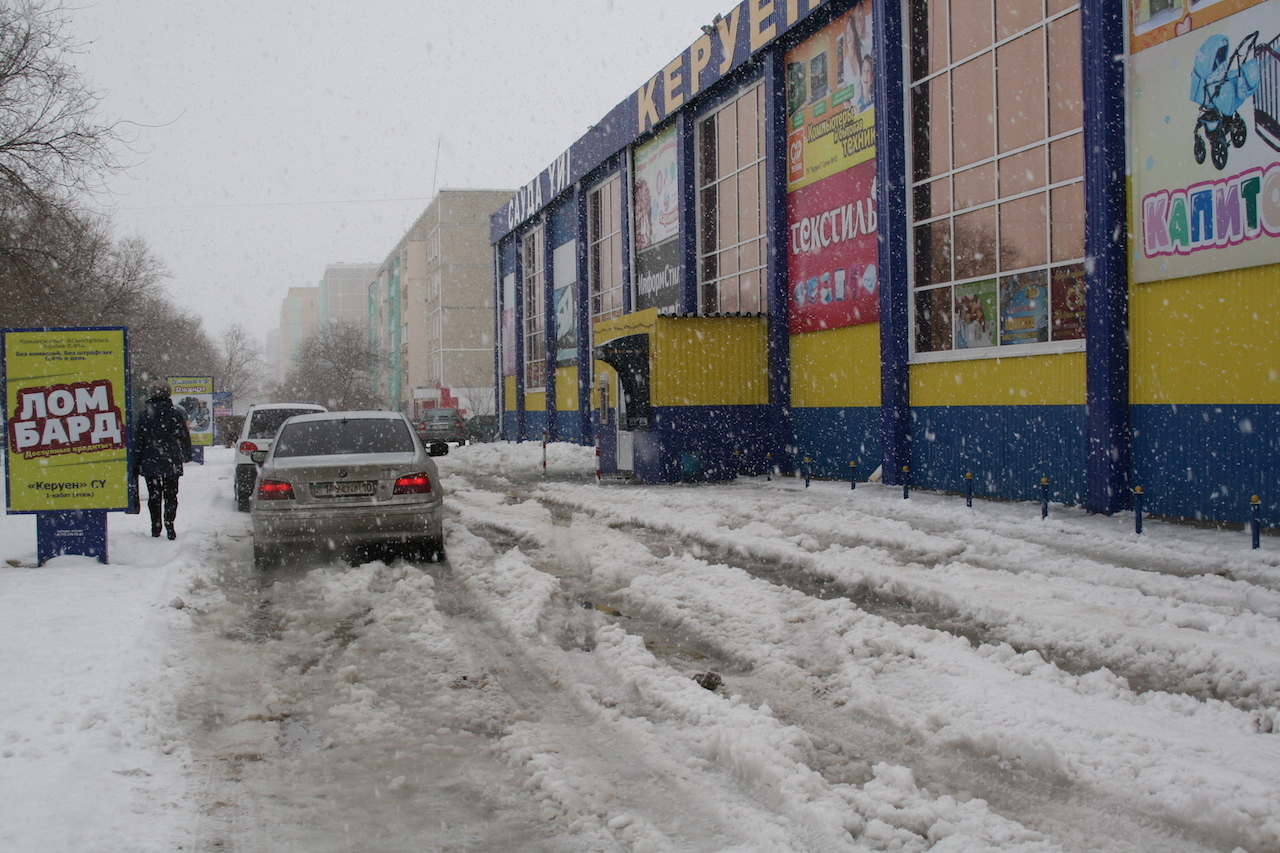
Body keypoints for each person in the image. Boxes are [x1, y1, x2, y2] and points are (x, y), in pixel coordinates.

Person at [134, 382, 192, 539]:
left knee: (154, 495)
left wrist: (137, 460)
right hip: (170, 461)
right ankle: (170, 525)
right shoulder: (176, 415)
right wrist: (186, 454)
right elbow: (184, 437)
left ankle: (155, 526)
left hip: (150, 461)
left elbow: (138, 440)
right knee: (171, 495)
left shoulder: (144, 415)